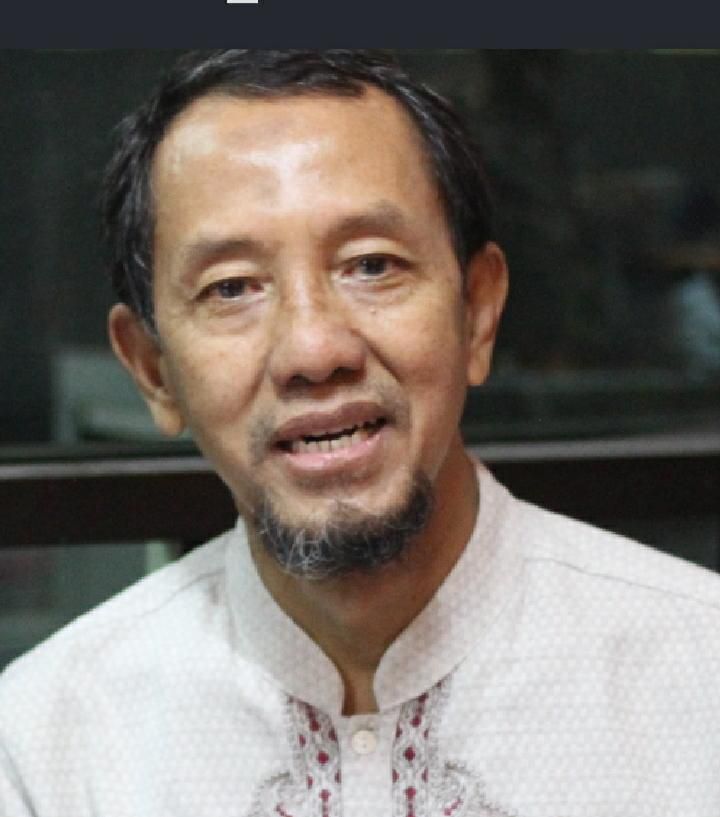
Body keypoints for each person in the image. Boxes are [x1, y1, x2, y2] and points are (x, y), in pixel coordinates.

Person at [2, 49, 720, 817]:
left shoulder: (697, 675)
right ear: (153, 370)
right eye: (232, 287)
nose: (315, 350)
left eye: (372, 265)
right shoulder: (49, 744)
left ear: (477, 311)